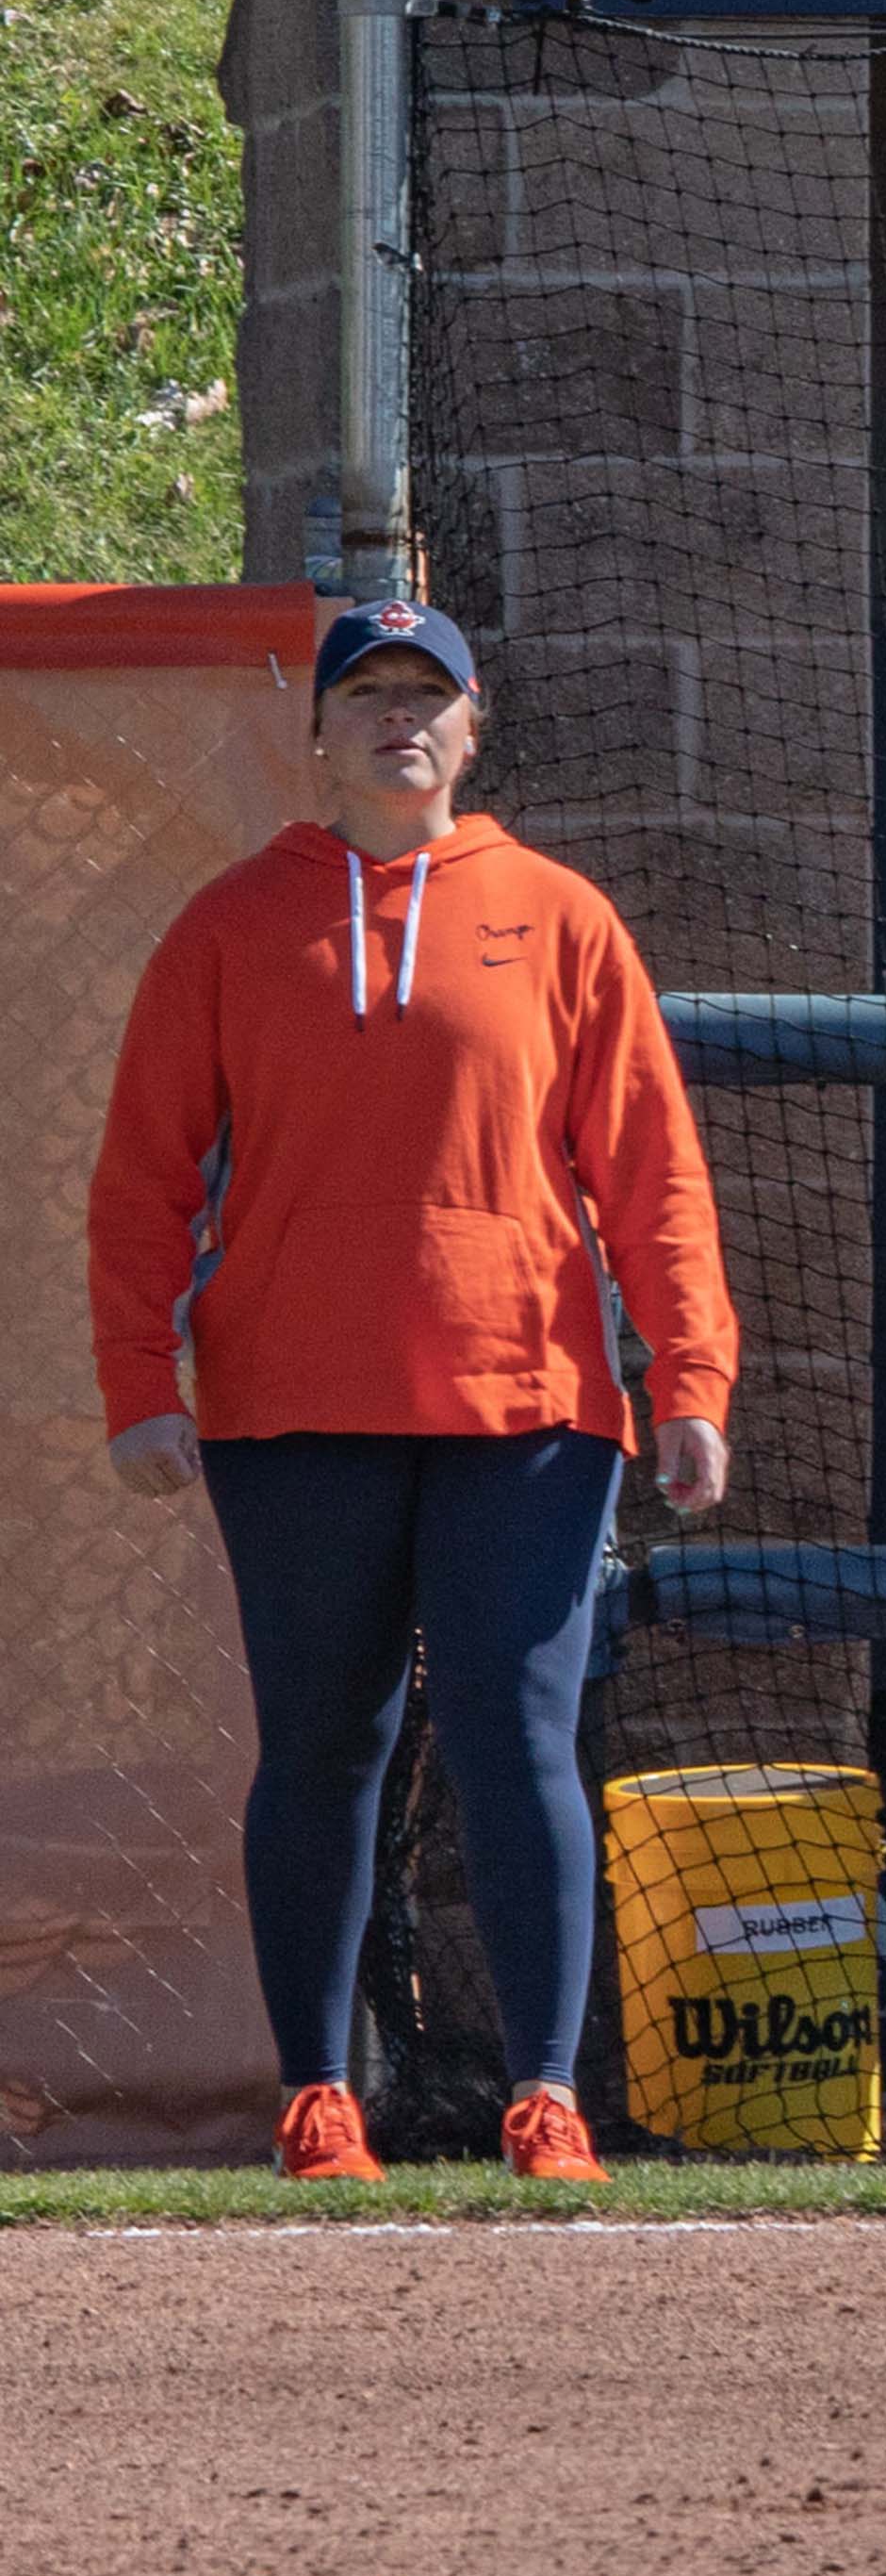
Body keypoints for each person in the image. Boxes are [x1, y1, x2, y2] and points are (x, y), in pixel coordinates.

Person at [90, 598, 734, 2187]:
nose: (397, 718)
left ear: (473, 722)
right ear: (317, 730)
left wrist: (691, 1372)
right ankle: (320, 2093)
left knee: (520, 1737)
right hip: (291, 1403)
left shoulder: (561, 915)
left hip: (529, 1398)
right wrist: (135, 1385)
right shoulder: (230, 924)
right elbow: (138, 1181)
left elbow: (652, 1169)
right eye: (366, 692)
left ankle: (545, 2096)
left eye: (424, 693)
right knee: (325, 1740)